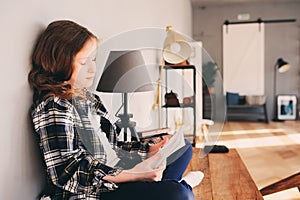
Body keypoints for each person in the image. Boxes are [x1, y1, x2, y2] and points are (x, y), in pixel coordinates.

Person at [28, 20, 202, 200]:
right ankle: (179, 185)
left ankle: (168, 185)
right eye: (83, 62)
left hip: (119, 172)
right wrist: (134, 175)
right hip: (94, 192)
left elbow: (115, 144)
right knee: (178, 194)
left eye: (93, 60)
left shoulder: (89, 98)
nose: (93, 68)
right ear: (59, 62)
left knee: (184, 148)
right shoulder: (54, 107)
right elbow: (67, 173)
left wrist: (150, 148)